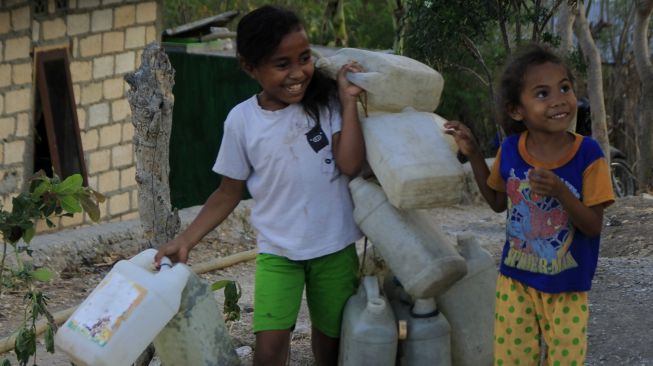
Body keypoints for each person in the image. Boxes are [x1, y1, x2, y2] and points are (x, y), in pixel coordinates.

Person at [154, 5, 365, 366]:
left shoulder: (327, 102)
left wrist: (347, 103)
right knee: (268, 350)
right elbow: (228, 192)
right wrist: (186, 240)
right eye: (282, 64)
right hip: (278, 253)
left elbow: (350, 165)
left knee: (331, 347)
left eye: (304, 57)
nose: (298, 72)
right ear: (250, 67)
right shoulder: (242, 121)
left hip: (334, 246)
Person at [444, 44, 615, 366]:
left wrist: (561, 193)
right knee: (512, 360)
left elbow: (593, 226)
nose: (558, 100)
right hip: (515, 283)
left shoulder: (588, 155)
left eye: (564, 88)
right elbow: (497, 202)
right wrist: (474, 153)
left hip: (567, 287)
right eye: (542, 93)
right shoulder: (511, 149)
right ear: (516, 110)